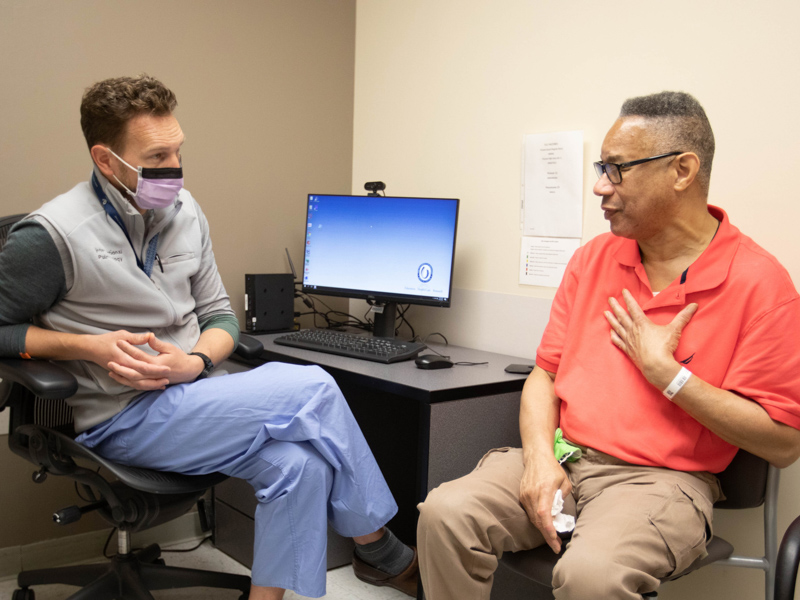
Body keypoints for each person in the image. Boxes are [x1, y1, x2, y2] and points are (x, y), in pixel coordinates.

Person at [0, 74, 418, 600]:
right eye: (156, 157)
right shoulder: (52, 235)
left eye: (178, 151)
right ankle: (380, 550)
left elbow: (222, 318)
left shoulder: (186, 212)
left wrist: (194, 361)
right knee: (313, 387)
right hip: (123, 417)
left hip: (195, 393)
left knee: (301, 465)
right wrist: (86, 346)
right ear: (106, 160)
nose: (173, 169)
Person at [416, 91, 800, 599]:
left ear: (682, 170)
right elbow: (544, 376)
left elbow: (784, 443)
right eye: (602, 167)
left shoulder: (760, 284)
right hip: (563, 455)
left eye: (617, 169)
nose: (600, 186)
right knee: (444, 515)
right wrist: (538, 460)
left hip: (661, 482)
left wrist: (670, 377)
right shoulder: (593, 259)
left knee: (591, 578)